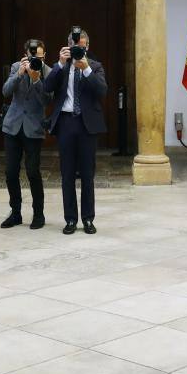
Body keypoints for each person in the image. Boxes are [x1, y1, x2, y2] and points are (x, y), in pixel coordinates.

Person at [44, 28, 107, 235]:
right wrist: (60, 64)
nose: (79, 50)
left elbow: (102, 91)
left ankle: (88, 219)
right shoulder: (61, 67)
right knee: (67, 174)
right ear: (68, 47)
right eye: (75, 47)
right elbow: (47, 87)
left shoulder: (95, 67)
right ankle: (70, 219)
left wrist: (86, 68)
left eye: (82, 47)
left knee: (88, 174)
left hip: (87, 125)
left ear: (87, 47)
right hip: (66, 122)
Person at [0, 38, 53, 229]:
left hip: (33, 128)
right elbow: (6, 91)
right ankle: (15, 213)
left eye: (39, 56)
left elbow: (47, 101)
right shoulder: (16, 67)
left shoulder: (49, 72)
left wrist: (36, 79)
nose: (36, 59)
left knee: (33, 172)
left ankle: (39, 214)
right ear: (26, 55)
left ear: (44, 55)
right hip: (13, 126)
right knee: (10, 172)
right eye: (33, 56)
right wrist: (20, 74)